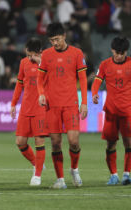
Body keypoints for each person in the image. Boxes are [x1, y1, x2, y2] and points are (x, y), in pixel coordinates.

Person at [37, 22, 88, 189]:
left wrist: (84, 103)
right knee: (55, 143)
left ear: (64, 36)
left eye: (57, 39)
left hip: (70, 104)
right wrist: (41, 93)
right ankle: (60, 179)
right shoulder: (46, 55)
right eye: (52, 40)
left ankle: (74, 169)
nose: (55, 43)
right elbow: (40, 79)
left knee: (73, 141)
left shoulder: (76, 53)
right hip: (52, 106)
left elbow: (83, 79)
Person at [91, 37, 131, 185]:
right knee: (110, 144)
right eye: (117, 53)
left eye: (122, 53)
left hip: (129, 111)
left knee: (129, 143)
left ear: (126, 51)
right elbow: (97, 80)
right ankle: (113, 175)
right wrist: (94, 92)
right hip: (111, 111)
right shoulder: (105, 64)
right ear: (112, 50)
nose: (119, 56)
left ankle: (127, 175)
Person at [10, 37, 46, 186]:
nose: (29, 57)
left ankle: (37, 175)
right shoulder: (23, 63)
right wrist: (13, 103)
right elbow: (19, 84)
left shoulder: (47, 62)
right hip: (26, 106)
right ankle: (36, 163)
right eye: (28, 54)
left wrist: (40, 63)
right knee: (20, 142)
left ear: (39, 52)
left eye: (32, 55)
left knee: (39, 140)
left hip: (41, 106)